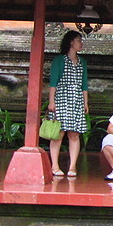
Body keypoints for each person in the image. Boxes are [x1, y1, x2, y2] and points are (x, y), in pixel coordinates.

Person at [48, 30, 89, 177]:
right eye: (79, 40)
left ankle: (72, 167)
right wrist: (52, 101)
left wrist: (85, 102)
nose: (81, 43)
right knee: (58, 134)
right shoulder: (59, 60)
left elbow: (84, 84)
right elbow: (53, 82)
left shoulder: (82, 62)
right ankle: (54, 166)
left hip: (77, 99)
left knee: (74, 134)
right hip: (61, 98)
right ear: (71, 42)